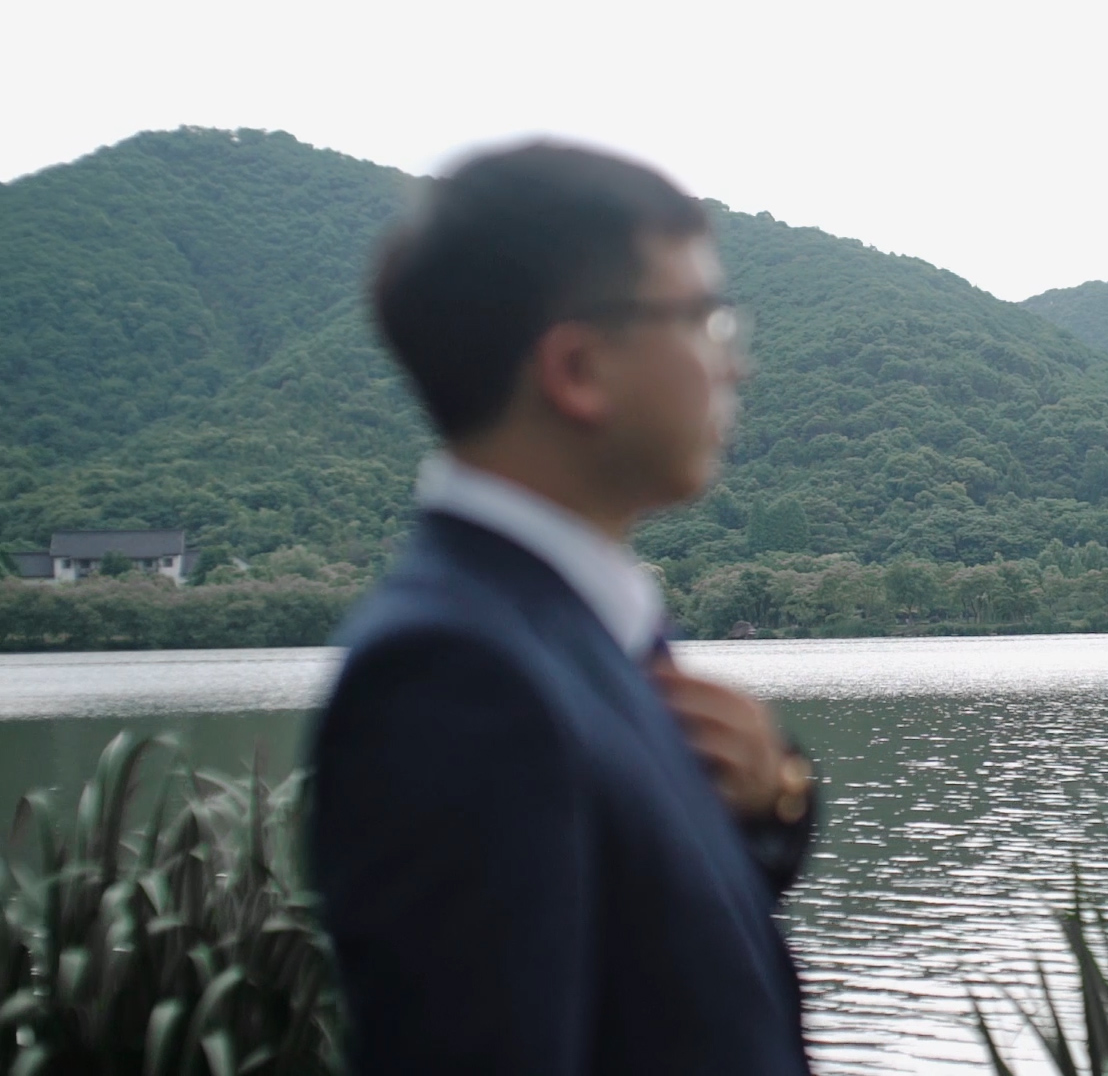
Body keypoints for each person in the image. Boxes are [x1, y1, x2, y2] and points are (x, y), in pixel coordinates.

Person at [309, 142, 815, 1074]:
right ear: (578, 368)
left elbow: (656, 964)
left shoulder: (571, 630)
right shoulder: (452, 681)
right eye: (704, 320)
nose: (734, 367)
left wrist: (773, 804)